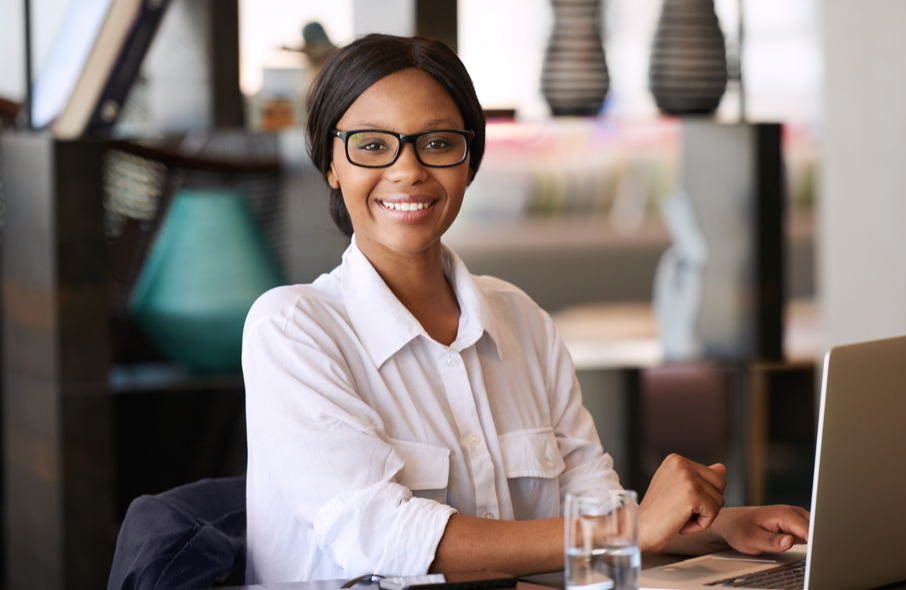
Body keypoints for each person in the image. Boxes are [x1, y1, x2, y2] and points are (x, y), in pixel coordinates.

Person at [242, 33, 809, 585]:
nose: (408, 169)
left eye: (437, 142)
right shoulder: (292, 329)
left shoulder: (522, 320)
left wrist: (715, 528)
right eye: (371, 145)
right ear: (331, 165)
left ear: (470, 161)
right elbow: (381, 536)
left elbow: (591, 527)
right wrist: (630, 528)